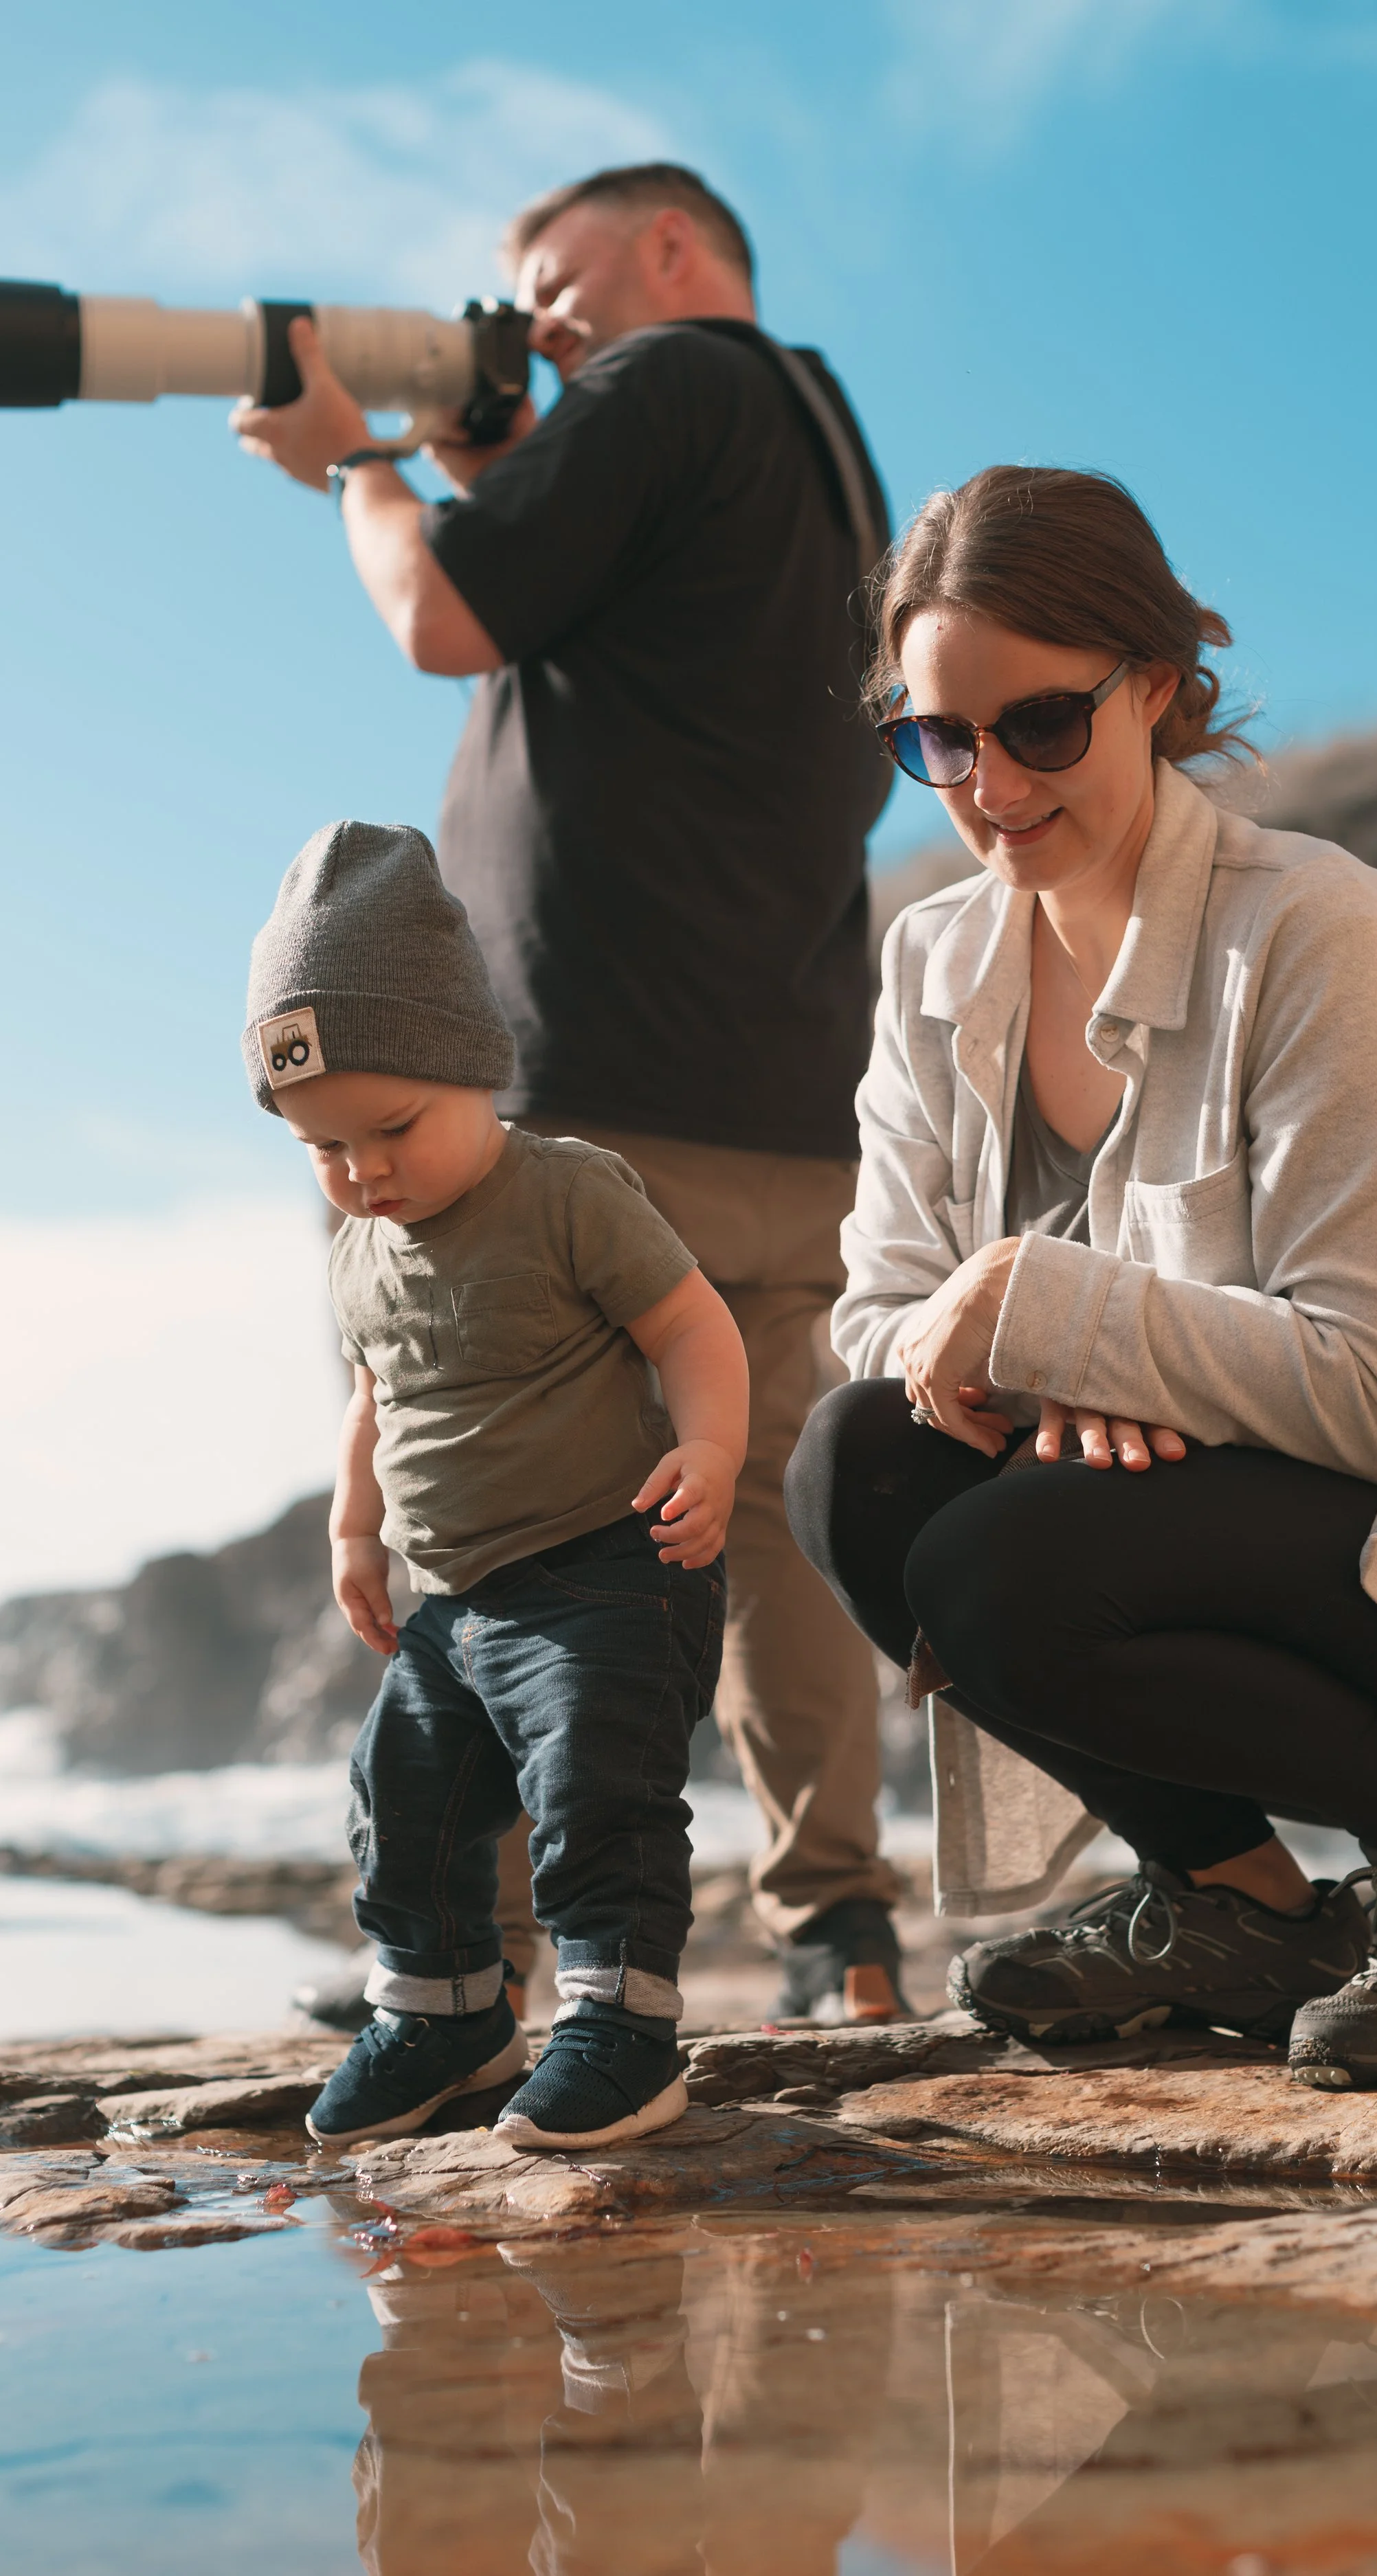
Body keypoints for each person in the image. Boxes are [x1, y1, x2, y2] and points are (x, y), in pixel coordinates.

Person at [234, 161, 906, 2025]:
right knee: (759, 1519)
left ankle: (480, 1953)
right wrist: (501, 454)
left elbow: (445, 613)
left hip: (597, 1081)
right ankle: (839, 1932)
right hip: (787, 1099)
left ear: (672, 247)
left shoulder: (668, 375)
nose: (535, 315)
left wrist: (354, 463)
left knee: (509, 1499)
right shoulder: (816, 448)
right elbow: (611, 605)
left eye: (555, 271)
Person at [785, 464, 1377, 2092]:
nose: (990, 785)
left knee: (1001, 1562)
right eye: (938, 741)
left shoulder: (1315, 926)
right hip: (1159, 1519)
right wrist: (1041, 1365)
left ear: (1151, 685)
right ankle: (1238, 1904)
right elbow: (878, 1321)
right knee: (855, 1469)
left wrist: (1046, 1310)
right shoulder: (931, 963)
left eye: (1038, 724)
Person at [245, 819, 746, 2149]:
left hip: (605, 1574)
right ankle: (445, 2017)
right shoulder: (358, 1251)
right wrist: (356, 1530)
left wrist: (710, 1452)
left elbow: (691, 1326)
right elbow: (374, 1399)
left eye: (392, 1129)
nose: (364, 1171)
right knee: (401, 1800)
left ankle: (621, 2030)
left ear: (473, 1066)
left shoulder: (566, 1193)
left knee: (596, 1799)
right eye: (324, 1148)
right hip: (452, 1601)